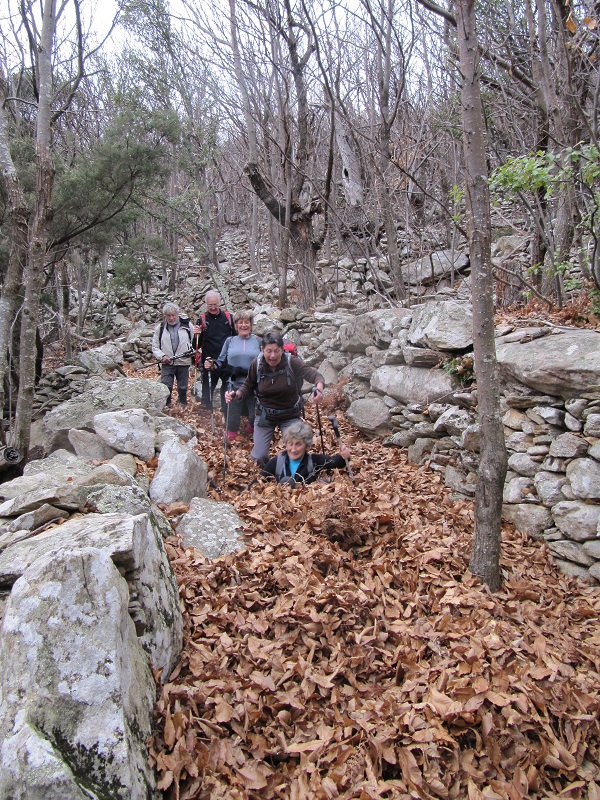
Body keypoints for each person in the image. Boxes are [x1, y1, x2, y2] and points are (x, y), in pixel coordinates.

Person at [225, 329, 325, 466]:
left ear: (282, 350)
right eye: (269, 351)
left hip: (289, 415)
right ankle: (269, 471)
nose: (272, 356)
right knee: (259, 457)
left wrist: (319, 389)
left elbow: (315, 375)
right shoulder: (257, 364)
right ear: (262, 350)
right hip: (264, 416)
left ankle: (293, 472)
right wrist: (237, 394)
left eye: (277, 351)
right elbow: (248, 385)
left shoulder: (292, 362)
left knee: (297, 452)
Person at [208, 310, 262, 441]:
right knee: (232, 413)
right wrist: (212, 365)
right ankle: (232, 433)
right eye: (240, 322)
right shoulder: (230, 341)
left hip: (253, 381)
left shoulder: (258, 341)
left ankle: (251, 427)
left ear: (251, 324)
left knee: (255, 413)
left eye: (246, 322)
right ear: (236, 325)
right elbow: (220, 361)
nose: (243, 325)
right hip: (233, 381)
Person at [261, 420, 351, 486]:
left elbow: (336, 462)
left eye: (298, 444)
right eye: (290, 444)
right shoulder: (278, 461)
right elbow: (259, 481)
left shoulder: (313, 460)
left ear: (306, 445)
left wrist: (343, 456)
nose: (293, 449)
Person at [192, 290, 235, 410]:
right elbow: (196, 345)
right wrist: (197, 335)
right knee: (207, 392)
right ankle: (206, 414)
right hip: (209, 360)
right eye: (210, 305)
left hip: (226, 361)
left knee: (227, 388)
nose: (213, 307)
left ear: (219, 303)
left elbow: (236, 338)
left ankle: (225, 412)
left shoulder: (229, 318)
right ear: (206, 304)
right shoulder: (202, 320)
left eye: (215, 304)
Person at [152, 302, 194, 408]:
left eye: (173, 315)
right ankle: (167, 406)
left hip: (183, 362)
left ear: (177, 314)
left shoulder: (187, 325)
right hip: (167, 363)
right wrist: (162, 356)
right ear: (165, 316)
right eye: (168, 315)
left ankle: (182, 405)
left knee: (183, 387)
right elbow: (155, 347)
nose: (171, 318)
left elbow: (195, 342)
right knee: (166, 386)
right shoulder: (160, 328)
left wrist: (192, 352)